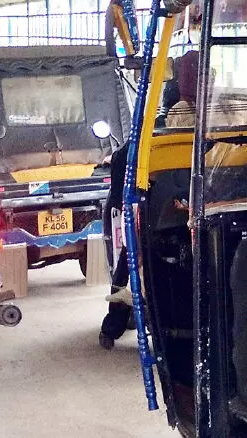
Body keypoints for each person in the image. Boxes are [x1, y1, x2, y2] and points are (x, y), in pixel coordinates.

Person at [98, 139, 133, 350]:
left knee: (125, 268)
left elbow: (120, 158)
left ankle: (111, 329)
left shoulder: (153, 128)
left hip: (146, 214)